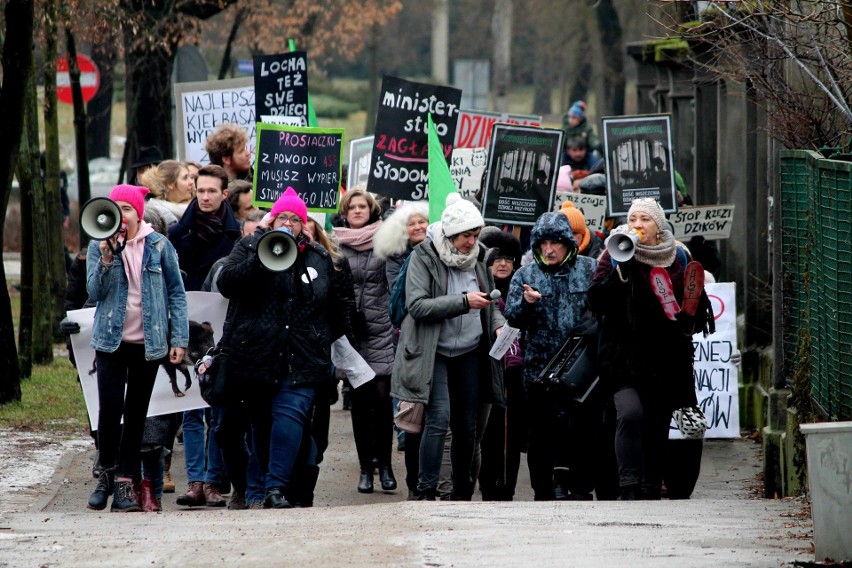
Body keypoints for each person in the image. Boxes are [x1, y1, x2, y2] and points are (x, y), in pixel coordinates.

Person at [216, 187, 352, 509]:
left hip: (303, 357)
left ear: (304, 225)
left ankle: (275, 487)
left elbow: (336, 307)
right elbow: (227, 284)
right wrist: (262, 257)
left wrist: (321, 337)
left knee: (290, 417)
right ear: (271, 219)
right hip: (258, 356)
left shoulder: (318, 257)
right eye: (282, 217)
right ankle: (258, 486)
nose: (288, 223)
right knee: (261, 425)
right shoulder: (249, 246)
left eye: (295, 219)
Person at [588, 198, 714, 500]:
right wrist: (620, 272)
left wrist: (688, 316)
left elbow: (697, 309)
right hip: (623, 358)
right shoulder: (613, 252)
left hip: (665, 359)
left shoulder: (679, 256)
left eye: (645, 219)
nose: (637, 225)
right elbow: (596, 300)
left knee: (658, 421)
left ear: (658, 226)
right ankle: (628, 483)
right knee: (630, 414)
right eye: (633, 219)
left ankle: (649, 485)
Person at [390, 192, 505, 501]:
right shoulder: (424, 255)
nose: (472, 241)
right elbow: (417, 305)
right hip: (433, 351)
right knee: (439, 418)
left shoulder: (480, 257)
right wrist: (463, 302)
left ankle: (461, 490)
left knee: (468, 426)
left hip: (470, 350)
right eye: (467, 235)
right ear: (451, 233)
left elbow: (490, 299)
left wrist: (497, 322)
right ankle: (425, 490)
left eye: (476, 234)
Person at [85, 184, 188, 512]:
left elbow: (177, 293)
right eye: (115, 209)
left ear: (137, 213)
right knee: (110, 408)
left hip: (149, 342)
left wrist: (179, 339)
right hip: (110, 341)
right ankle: (106, 474)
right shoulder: (99, 245)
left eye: (126, 209)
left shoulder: (159, 246)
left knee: (136, 415)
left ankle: (126, 483)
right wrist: (105, 258)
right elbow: (94, 291)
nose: (121, 215)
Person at [504, 212, 599, 501]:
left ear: (568, 243)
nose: (549, 249)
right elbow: (512, 317)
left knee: (581, 430)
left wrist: (591, 323)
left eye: (556, 242)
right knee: (541, 435)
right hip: (539, 371)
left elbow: (605, 307)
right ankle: (544, 490)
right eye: (543, 243)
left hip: (579, 370)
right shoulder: (525, 275)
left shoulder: (590, 268)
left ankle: (581, 487)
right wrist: (527, 303)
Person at [168, 164, 240, 508]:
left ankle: (214, 480)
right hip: (186, 328)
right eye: (200, 190)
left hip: (220, 332)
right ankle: (195, 481)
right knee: (190, 411)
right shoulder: (176, 233)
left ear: (225, 194)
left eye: (212, 191)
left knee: (217, 407)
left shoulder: (237, 235)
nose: (205, 197)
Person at [333, 186, 397, 494]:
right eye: (352, 207)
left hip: (381, 328)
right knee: (360, 402)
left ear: (371, 210)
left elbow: (396, 283)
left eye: (363, 206)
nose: (358, 210)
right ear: (344, 213)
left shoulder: (386, 241)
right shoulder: (334, 246)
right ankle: (364, 469)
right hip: (351, 334)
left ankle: (384, 465)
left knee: (383, 400)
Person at [373, 201, 430, 497]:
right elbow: (404, 296)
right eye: (412, 223)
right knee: (411, 404)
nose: (419, 227)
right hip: (407, 337)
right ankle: (412, 478)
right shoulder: (397, 256)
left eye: (423, 222)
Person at [477, 228, 526, 501]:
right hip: (486, 370)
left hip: (515, 372)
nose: (503, 264)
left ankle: (507, 487)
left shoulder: (522, 289)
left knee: (512, 434)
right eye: (497, 258)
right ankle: (487, 486)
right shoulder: (478, 288)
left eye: (509, 258)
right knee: (488, 433)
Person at [140, 160, 195, 226]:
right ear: (170, 184)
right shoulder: (158, 214)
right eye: (185, 178)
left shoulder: (196, 204)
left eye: (190, 177)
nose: (191, 182)